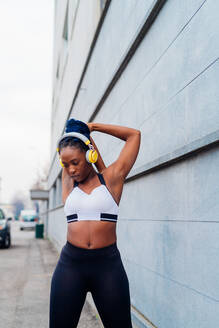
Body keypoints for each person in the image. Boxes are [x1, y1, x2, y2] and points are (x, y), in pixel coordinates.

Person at [49, 118, 141, 328]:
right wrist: (77, 134)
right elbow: (70, 150)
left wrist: (94, 128)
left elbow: (134, 135)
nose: (71, 169)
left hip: (107, 267)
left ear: (90, 155)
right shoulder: (68, 185)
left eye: (75, 162)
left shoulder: (111, 180)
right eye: (66, 164)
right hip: (70, 266)